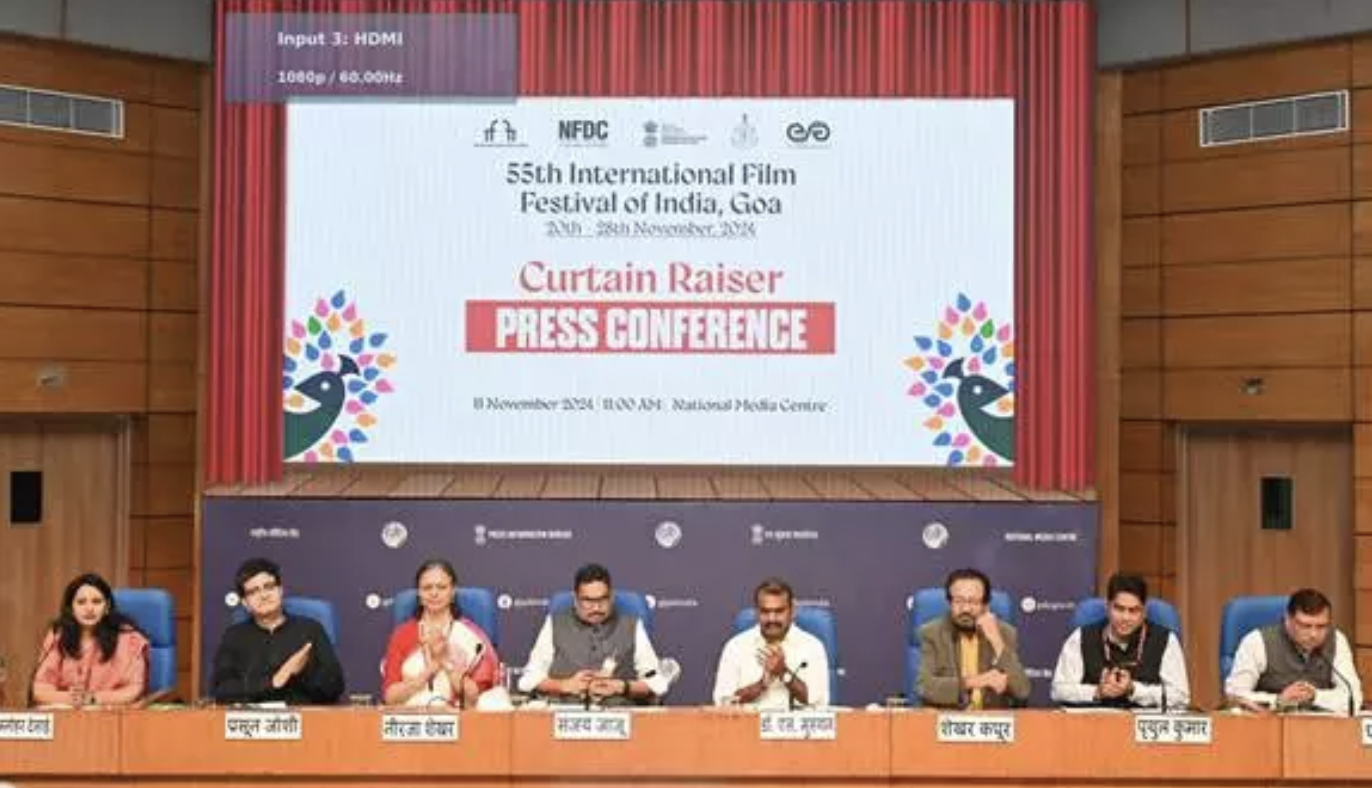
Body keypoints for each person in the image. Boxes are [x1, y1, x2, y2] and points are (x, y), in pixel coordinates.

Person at [518, 563, 668, 705]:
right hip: (565, 712)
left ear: (611, 597)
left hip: (617, 713)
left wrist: (622, 687)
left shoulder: (633, 625)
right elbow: (528, 680)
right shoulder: (554, 623)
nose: (596, 608)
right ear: (576, 600)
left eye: (603, 599)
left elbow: (658, 684)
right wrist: (564, 685)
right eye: (588, 601)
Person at [210, 557, 345, 704]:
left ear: (280, 590)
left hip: (303, 714)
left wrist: (300, 673)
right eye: (253, 591)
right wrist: (274, 681)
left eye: (269, 587)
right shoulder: (234, 636)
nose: (264, 595)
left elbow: (335, 686)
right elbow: (222, 690)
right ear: (245, 603)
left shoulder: (311, 629)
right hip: (253, 717)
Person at [1050, 573, 1190, 709]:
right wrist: (1097, 691)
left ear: (1144, 612)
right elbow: (1058, 690)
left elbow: (1181, 697)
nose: (1125, 618)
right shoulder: (1081, 637)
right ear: (1108, 607)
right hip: (1094, 720)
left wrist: (1133, 690)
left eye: (1133, 610)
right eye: (1119, 608)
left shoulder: (1166, 640)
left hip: (1141, 722)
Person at [1224, 588, 1363, 715]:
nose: (1313, 634)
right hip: (1269, 724)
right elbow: (1235, 695)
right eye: (1305, 626)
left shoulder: (1336, 640)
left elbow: (1354, 697)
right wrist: (1278, 700)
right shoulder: (1256, 642)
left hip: (1322, 727)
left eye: (1321, 626)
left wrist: (1315, 696)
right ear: (1287, 619)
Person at [381, 558, 499, 707]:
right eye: (427, 588)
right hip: (412, 715)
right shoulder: (402, 635)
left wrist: (445, 661)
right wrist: (429, 671)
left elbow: (474, 699)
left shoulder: (470, 635)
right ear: (419, 594)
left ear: (452, 592)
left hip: (459, 717)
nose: (434, 593)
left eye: (441, 587)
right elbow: (390, 698)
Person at [30, 573, 149, 708]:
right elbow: (40, 689)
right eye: (81, 602)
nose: (89, 608)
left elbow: (134, 690)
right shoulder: (58, 636)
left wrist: (93, 698)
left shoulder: (129, 639)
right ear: (71, 608)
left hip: (112, 712)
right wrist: (70, 698)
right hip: (69, 711)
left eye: (96, 601)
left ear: (107, 607)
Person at [918, 568, 1031, 709]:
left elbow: (1022, 691)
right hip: (949, 718)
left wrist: (996, 641)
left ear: (985, 605)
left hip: (991, 719)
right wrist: (977, 681)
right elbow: (924, 687)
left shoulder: (1004, 633)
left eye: (973, 602)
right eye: (959, 601)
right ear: (949, 602)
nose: (965, 609)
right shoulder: (932, 633)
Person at [711, 577, 830, 709]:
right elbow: (722, 702)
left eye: (779, 611)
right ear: (757, 612)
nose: (771, 618)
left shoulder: (813, 646)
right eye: (765, 611)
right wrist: (761, 685)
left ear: (792, 611)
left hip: (796, 723)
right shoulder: (735, 647)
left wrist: (783, 672)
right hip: (749, 722)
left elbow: (819, 702)